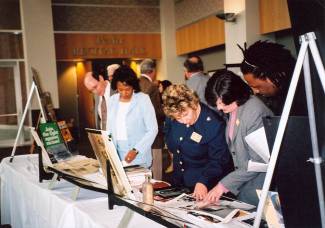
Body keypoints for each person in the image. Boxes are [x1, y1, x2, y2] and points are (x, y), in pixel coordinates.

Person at [204, 69, 273, 206]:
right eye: (217, 103)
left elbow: (258, 162)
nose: (219, 108)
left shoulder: (255, 112)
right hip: (245, 188)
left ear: (236, 94)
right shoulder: (234, 109)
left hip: (260, 190)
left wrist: (222, 186)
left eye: (223, 103)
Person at [162, 84, 232, 201]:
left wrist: (203, 181)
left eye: (185, 115)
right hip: (179, 182)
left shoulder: (214, 124)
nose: (183, 121)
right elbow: (168, 132)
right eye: (178, 118)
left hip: (206, 186)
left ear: (193, 104)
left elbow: (219, 160)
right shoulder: (174, 113)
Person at [107, 66, 158, 168]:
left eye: (127, 89)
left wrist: (136, 150)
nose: (124, 93)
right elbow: (109, 128)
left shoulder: (143, 99)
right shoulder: (112, 100)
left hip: (138, 154)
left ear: (133, 86)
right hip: (117, 154)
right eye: (120, 89)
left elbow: (153, 129)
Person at [238, 40, 296, 115]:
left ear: (270, 77)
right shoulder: (274, 99)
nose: (255, 91)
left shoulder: (299, 100)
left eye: (257, 87)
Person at [139, 59, 165, 179]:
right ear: (153, 71)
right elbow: (156, 112)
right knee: (156, 170)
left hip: (139, 135)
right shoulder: (152, 87)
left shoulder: (135, 84)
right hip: (154, 136)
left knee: (142, 170)